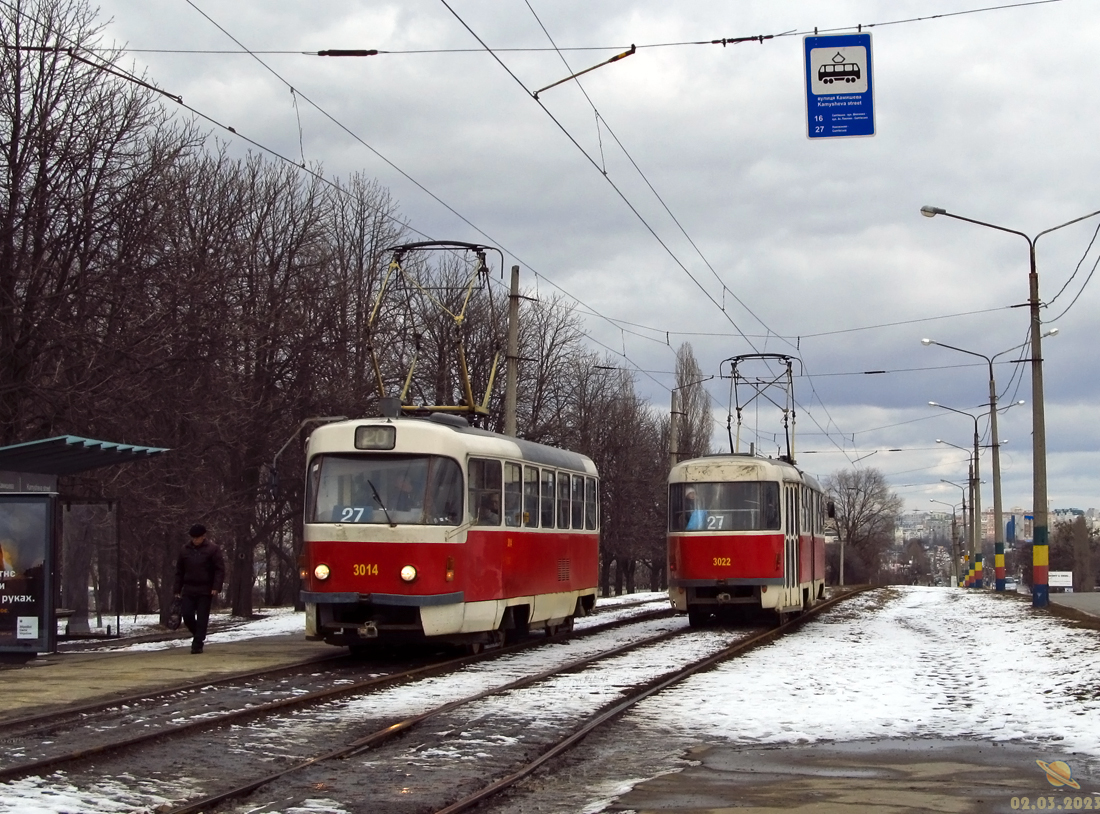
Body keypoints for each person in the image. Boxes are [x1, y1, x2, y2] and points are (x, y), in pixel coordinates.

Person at [173, 523, 225, 654]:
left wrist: (216, 587)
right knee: (187, 615)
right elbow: (179, 571)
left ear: (203, 537)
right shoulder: (185, 550)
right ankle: (199, 634)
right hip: (189, 588)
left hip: (205, 589)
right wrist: (177, 589)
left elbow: (219, 569)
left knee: (202, 617)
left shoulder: (212, 549)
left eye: (197, 538)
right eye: (193, 538)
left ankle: (197, 644)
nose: (195, 540)